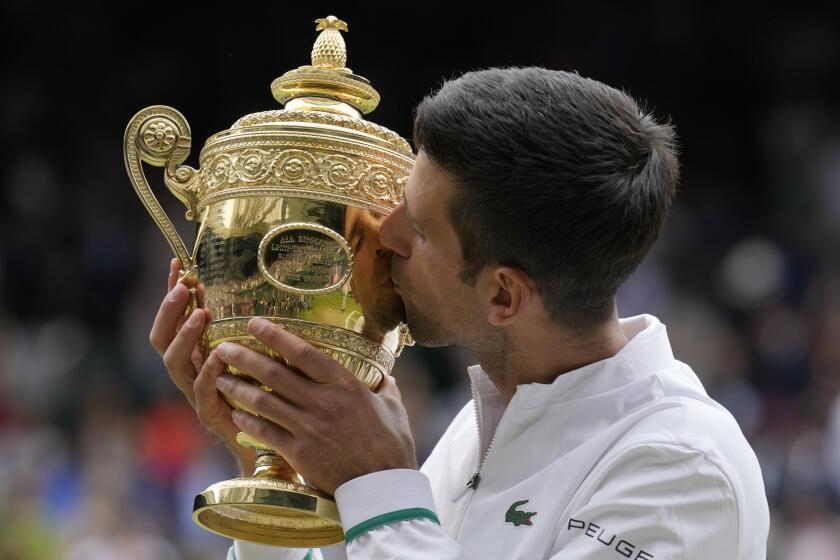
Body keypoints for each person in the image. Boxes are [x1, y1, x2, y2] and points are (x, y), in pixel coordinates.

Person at [150, 67, 769, 559]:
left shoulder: (682, 470)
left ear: (504, 295)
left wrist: (383, 488)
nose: (381, 235)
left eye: (415, 228)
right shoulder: (485, 425)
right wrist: (270, 455)